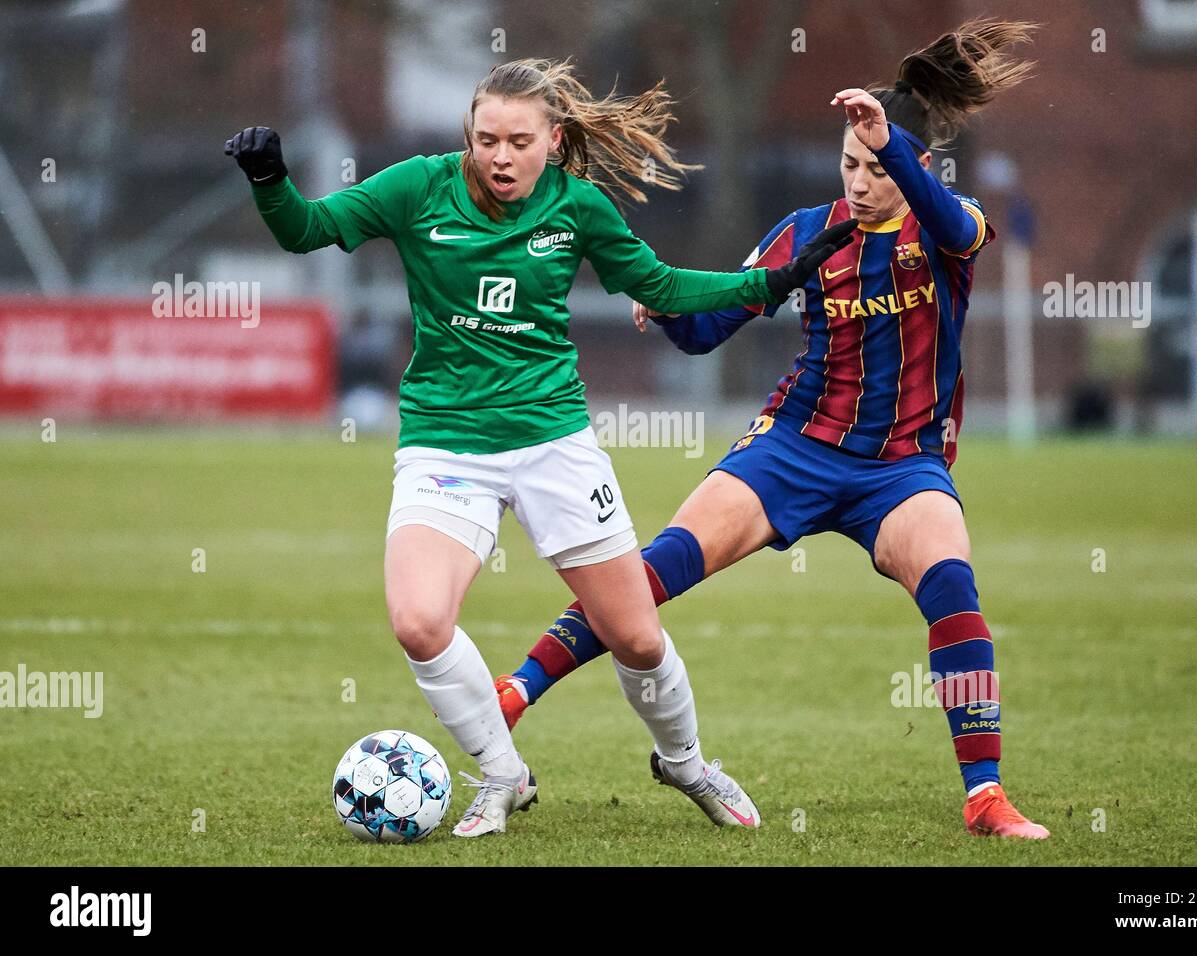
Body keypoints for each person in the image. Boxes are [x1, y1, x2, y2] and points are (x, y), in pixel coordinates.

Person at [224, 58, 854, 837]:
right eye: (486, 138)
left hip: (554, 442)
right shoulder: (416, 188)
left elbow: (657, 287)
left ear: (553, 141)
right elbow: (307, 231)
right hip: (446, 446)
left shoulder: (578, 207)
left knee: (635, 635)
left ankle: (688, 764)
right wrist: (270, 182)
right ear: (469, 136)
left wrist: (762, 285)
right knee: (419, 621)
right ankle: (502, 774)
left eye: (519, 140)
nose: (500, 156)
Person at [494, 22, 1051, 839]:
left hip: (901, 466)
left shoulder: (946, 226)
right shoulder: (803, 233)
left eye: (876, 164)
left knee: (953, 587)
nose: (858, 182)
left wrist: (888, 141)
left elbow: (947, 215)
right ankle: (510, 696)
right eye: (849, 163)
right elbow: (707, 330)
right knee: (646, 576)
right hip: (791, 446)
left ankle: (985, 796)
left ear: (912, 164)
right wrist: (664, 309)